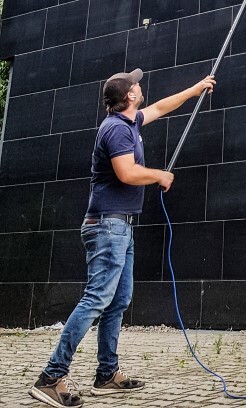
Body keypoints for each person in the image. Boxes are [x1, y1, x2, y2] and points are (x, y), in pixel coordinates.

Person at [29, 67, 215, 407]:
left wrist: (195, 90)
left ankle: (106, 374)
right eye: (136, 84)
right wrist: (159, 174)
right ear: (129, 95)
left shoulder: (130, 122)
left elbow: (159, 107)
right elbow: (127, 173)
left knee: (117, 301)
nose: (141, 86)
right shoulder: (115, 129)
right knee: (97, 298)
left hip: (122, 226)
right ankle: (51, 377)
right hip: (107, 226)